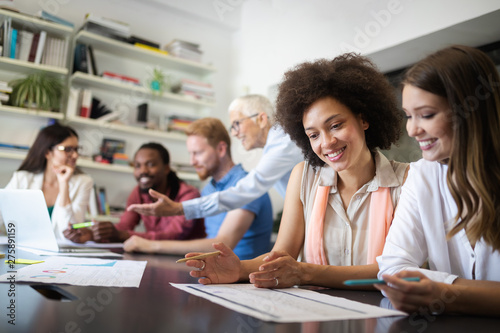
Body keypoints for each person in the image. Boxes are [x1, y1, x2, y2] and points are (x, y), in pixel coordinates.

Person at [184, 54, 408, 289]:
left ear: (363, 119)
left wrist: (306, 273)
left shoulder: (406, 181)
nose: (327, 142)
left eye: (336, 125)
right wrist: (239, 269)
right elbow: (280, 256)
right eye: (313, 135)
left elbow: (395, 272)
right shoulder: (303, 177)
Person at [376, 45, 500, 316]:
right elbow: (393, 268)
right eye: (408, 116)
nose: (412, 129)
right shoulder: (422, 175)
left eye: (427, 115)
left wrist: (446, 292)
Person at [127, 94, 303, 220]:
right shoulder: (276, 145)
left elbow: (249, 188)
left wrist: (179, 208)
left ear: (261, 119)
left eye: (237, 124)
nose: (234, 133)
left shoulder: (283, 142)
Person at [123, 118, 273, 259]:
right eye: (190, 154)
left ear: (221, 149)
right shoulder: (208, 190)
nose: (192, 161)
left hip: (245, 280)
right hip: (216, 273)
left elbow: (222, 245)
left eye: (198, 153)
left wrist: (151, 245)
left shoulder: (248, 186)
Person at [64, 142, 205, 243]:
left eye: (150, 164)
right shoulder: (138, 192)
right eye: (137, 165)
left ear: (166, 168)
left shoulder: (189, 195)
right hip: (157, 256)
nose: (142, 171)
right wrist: (93, 234)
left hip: (187, 261)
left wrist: (120, 235)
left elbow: (173, 236)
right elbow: (124, 227)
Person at [5, 122, 93, 240]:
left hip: (62, 251)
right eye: (68, 149)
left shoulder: (83, 182)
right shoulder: (22, 179)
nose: (75, 155)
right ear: (47, 152)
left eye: (77, 149)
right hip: (23, 246)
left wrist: (64, 184)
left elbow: (71, 232)